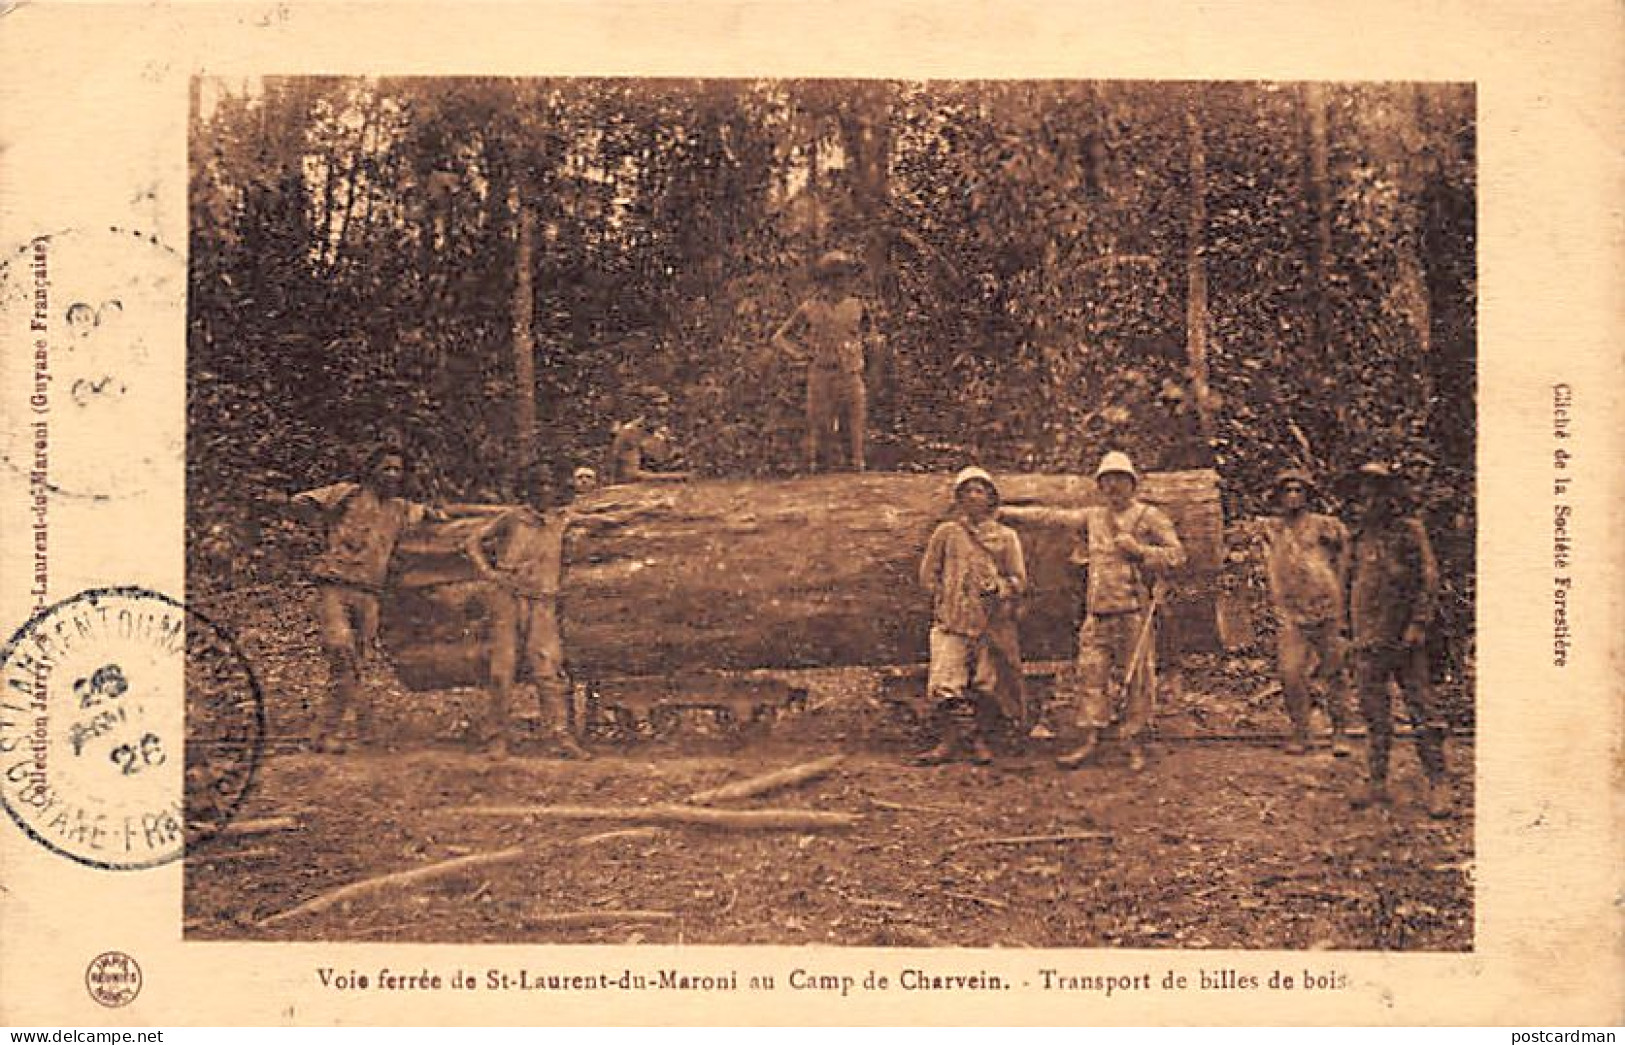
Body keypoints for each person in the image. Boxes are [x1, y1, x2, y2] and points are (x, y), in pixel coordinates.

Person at [1001, 451, 1185, 771]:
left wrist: (1140, 551)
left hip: (1134, 611)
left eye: (1120, 480)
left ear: (1132, 484)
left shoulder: (1148, 517)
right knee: (1090, 676)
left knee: (1138, 680)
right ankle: (1089, 741)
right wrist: (1005, 512)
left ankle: (1133, 744)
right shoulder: (1094, 517)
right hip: (1097, 611)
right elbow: (1052, 518)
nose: (1114, 487)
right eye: (1108, 481)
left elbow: (1177, 555)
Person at [293, 445, 430, 754]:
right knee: (341, 649)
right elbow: (300, 502)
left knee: (354, 665)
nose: (392, 475)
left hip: (370, 593)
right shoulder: (347, 494)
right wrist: (323, 524)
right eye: (386, 468)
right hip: (335, 586)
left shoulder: (401, 509)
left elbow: (436, 515)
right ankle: (341, 728)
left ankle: (331, 732)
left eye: (398, 470)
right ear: (372, 470)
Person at [463, 460, 593, 760]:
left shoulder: (564, 519)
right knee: (501, 670)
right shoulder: (512, 518)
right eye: (537, 484)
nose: (544, 490)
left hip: (544, 601)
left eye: (548, 484)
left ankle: (559, 736)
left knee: (548, 668)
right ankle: (497, 738)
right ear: (527, 488)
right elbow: (472, 541)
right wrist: (490, 573)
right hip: (508, 598)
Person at [1347, 461, 1451, 817]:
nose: (1368, 498)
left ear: (1390, 494)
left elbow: (1428, 581)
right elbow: (1349, 584)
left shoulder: (1410, 532)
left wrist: (1418, 625)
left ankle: (1438, 782)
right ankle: (1376, 780)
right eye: (1363, 491)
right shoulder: (1359, 537)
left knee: (1422, 711)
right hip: (1368, 640)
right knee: (1375, 715)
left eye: (1375, 490)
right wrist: (1351, 633)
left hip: (1404, 639)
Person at [913, 467, 1028, 766]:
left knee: (985, 683)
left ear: (991, 497)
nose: (973, 496)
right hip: (951, 620)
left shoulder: (1005, 537)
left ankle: (979, 741)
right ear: (959, 498)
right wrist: (946, 597)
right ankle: (954, 742)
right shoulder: (947, 533)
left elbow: (1019, 580)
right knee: (945, 682)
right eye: (966, 491)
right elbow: (927, 574)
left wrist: (998, 588)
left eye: (980, 490)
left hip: (990, 623)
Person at [1258, 467, 1353, 756]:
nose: (1293, 495)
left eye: (1299, 490)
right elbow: (1268, 566)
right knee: (1290, 673)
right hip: (1291, 612)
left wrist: (1344, 602)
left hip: (1327, 607)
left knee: (1335, 672)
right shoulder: (1272, 529)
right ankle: (1301, 732)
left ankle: (1340, 734)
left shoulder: (1327, 525)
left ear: (1309, 494)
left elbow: (1345, 561)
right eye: (1287, 490)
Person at [771, 249, 873, 472]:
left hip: (851, 375)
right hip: (822, 374)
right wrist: (799, 354)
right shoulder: (810, 308)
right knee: (821, 430)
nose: (840, 282)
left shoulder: (858, 306)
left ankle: (856, 474)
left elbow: (871, 335)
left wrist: (864, 350)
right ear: (825, 280)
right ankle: (821, 477)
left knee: (855, 432)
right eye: (834, 277)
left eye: (844, 276)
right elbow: (779, 337)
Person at [606, 390, 690, 484]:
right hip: (629, 492)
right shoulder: (630, 433)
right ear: (643, 407)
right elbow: (630, 475)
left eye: (664, 405)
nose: (659, 410)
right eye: (654, 405)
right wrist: (679, 477)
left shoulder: (665, 432)